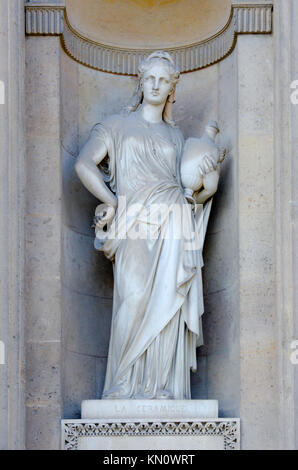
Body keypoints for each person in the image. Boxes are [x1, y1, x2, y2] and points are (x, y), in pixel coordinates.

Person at [75, 51, 218, 399]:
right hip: (134, 222)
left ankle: (162, 386)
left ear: (172, 89)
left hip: (173, 220)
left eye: (163, 80)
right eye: (150, 78)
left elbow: (191, 186)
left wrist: (205, 185)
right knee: (135, 297)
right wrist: (111, 202)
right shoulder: (114, 127)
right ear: (140, 81)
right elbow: (83, 164)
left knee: (169, 301)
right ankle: (122, 384)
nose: (155, 85)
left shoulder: (177, 138)